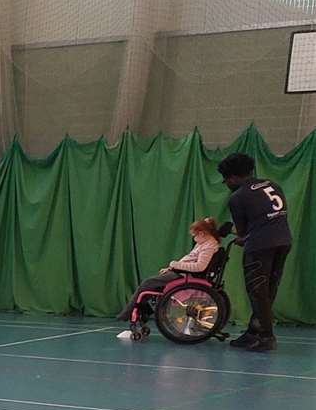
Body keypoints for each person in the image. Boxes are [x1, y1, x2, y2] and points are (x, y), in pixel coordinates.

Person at [217, 151, 292, 353]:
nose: (226, 183)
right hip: (284, 240)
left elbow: (243, 236)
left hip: (260, 246)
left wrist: (229, 232)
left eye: (226, 179)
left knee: (257, 292)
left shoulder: (238, 197)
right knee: (268, 290)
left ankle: (266, 337)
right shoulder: (273, 185)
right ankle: (253, 332)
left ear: (233, 177)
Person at [118, 215, 221, 336]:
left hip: (186, 276)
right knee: (150, 287)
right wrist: (171, 268)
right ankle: (143, 311)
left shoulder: (209, 246)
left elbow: (200, 267)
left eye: (194, 236)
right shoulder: (204, 244)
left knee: (148, 283)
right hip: (181, 273)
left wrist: (174, 264)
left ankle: (129, 312)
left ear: (202, 233)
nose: (194, 239)